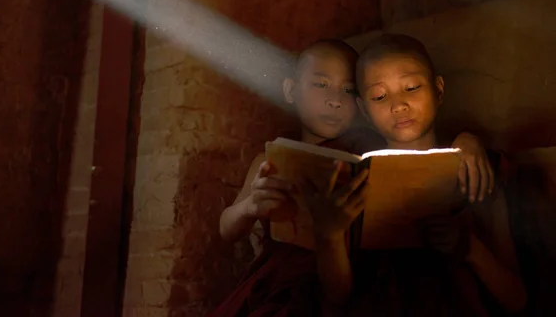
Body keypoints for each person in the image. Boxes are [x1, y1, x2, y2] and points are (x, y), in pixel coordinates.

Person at [211, 38, 494, 316]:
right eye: (321, 85)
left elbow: (423, 146)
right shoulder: (270, 158)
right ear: (290, 90)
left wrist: (467, 140)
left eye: (347, 90)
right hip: (283, 285)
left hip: (351, 280)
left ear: (360, 107)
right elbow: (227, 229)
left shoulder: (365, 153)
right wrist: (249, 208)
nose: (334, 100)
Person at [303, 33, 526, 316]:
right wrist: (330, 236)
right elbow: (339, 296)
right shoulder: (356, 179)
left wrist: (469, 249)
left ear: (439, 90)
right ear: (364, 111)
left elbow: (517, 298)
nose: (398, 105)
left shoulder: (474, 169)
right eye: (380, 96)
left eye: (411, 87)